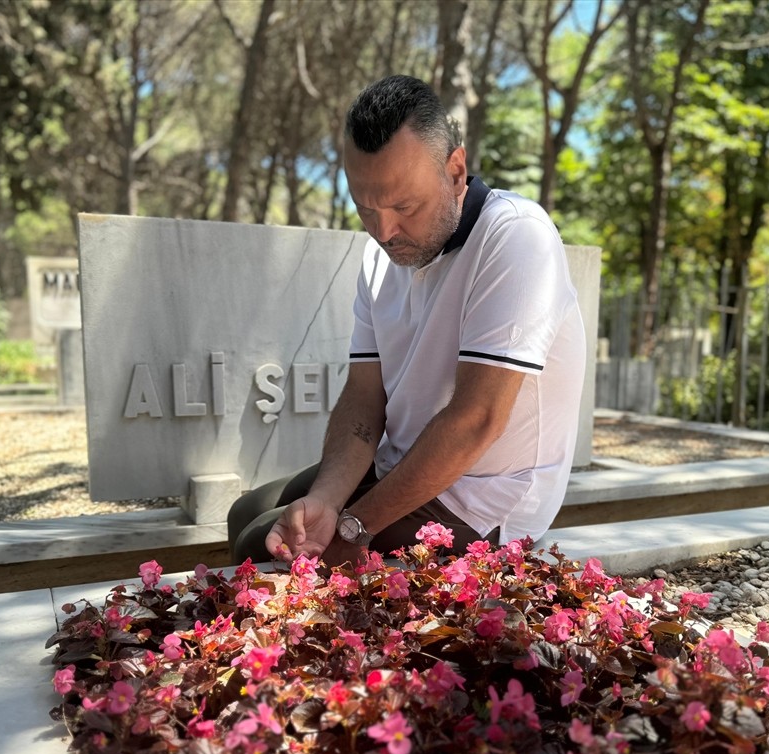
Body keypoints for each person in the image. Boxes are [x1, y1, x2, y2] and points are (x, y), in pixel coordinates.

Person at [227, 74, 585, 567]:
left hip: (483, 499)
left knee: (260, 544)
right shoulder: (383, 255)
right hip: (401, 465)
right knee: (249, 511)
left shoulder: (516, 236)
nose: (384, 231)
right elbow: (363, 398)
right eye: (365, 208)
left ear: (455, 171)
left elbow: (476, 421)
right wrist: (328, 499)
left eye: (404, 206)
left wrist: (354, 526)